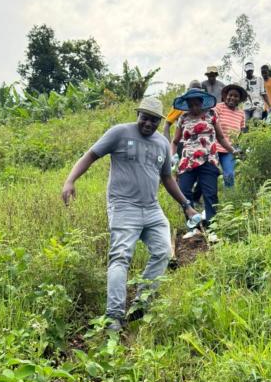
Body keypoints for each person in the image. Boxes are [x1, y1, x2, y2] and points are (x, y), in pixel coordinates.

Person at [62, 97, 197, 331]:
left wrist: (186, 204)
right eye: (145, 117)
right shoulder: (119, 133)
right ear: (138, 114)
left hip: (152, 208)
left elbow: (166, 178)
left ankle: (140, 304)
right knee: (121, 257)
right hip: (124, 206)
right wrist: (70, 180)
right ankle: (114, 316)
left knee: (163, 251)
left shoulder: (162, 143)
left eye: (154, 120)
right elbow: (90, 155)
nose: (148, 123)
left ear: (159, 121)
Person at [171, 88, 235, 238]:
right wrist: (172, 156)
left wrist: (233, 151)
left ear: (201, 102)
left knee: (210, 194)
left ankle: (212, 229)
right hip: (188, 160)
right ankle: (193, 227)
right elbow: (174, 141)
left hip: (208, 159)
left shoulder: (211, 115)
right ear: (187, 105)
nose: (194, 108)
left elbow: (221, 138)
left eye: (196, 104)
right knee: (184, 191)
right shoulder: (183, 118)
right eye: (190, 105)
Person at [215, 84, 247, 187]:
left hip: (229, 149)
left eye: (236, 96)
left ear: (240, 99)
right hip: (214, 147)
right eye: (230, 95)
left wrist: (240, 147)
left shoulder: (241, 113)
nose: (232, 98)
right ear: (225, 96)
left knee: (229, 175)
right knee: (210, 174)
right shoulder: (218, 108)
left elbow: (241, 132)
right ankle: (198, 197)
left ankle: (229, 199)